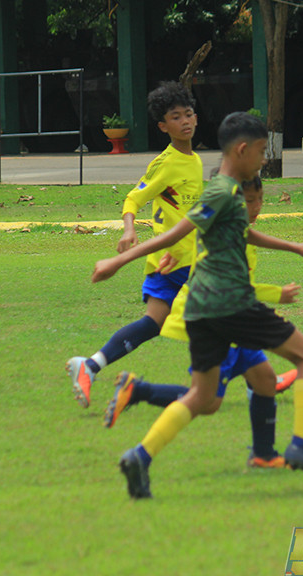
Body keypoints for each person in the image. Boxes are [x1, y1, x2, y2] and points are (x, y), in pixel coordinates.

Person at [91, 111, 303, 499]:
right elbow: (178, 231)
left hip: (201, 309)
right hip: (230, 302)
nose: (262, 160)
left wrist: (295, 246)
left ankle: (140, 455)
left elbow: (244, 231)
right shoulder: (222, 191)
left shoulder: (231, 192)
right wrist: (118, 261)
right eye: (260, 152)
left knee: (204, 398)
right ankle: (300, 447)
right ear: (241, 150)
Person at [103, 176, 299, 469]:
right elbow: (234, 287)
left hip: (230, 316)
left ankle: (264, 455)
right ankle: (139, 395)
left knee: (264, 379)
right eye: (248, 201)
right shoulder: (229, 237)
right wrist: (277, 294)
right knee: (207, 401)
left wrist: (175, 254)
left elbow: (190, 240)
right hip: (221, 320)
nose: (256, 207)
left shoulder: (223, 228)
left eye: (260, 200)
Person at [66, 81, 202, 407]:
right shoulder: (166, 163)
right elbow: (133, 197)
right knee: (225, 315)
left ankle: (91, 365)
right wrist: (129, 230)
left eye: (189, 114)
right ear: (162, 126)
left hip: (188, 261)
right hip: (172, 264)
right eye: (175, 117)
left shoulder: (195, 160)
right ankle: (259, 379)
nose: (185, 121)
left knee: (153, 325)